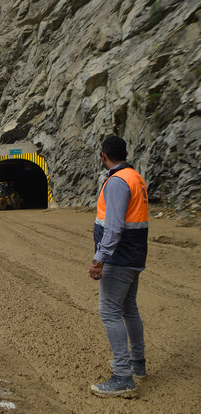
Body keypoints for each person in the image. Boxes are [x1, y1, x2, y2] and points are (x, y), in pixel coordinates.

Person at [88, 135, 149, 397]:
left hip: (119, 259)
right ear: (125, 153)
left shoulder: (116, 183)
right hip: (134, 257)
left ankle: (123, 376)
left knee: (109, 312)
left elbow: (113, 229)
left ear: (104, 156)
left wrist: (99, 258)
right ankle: (136, 362)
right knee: (128, 308)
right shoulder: (135, 177)